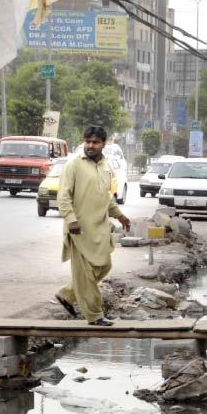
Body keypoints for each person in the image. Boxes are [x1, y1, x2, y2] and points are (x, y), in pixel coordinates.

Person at [56, 126, 130, 326]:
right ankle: (95, 315)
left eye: (95, 142)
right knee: (86, 274)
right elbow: (63, 196)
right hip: (78, 229)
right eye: (87, 141)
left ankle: (67, 294)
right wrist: (71, 219)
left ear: (103, 144)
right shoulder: (74, 165)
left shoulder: (106, 167)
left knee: (104, 266)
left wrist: (120, 216)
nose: (90, 145)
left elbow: (108, 197)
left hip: (99, 229)